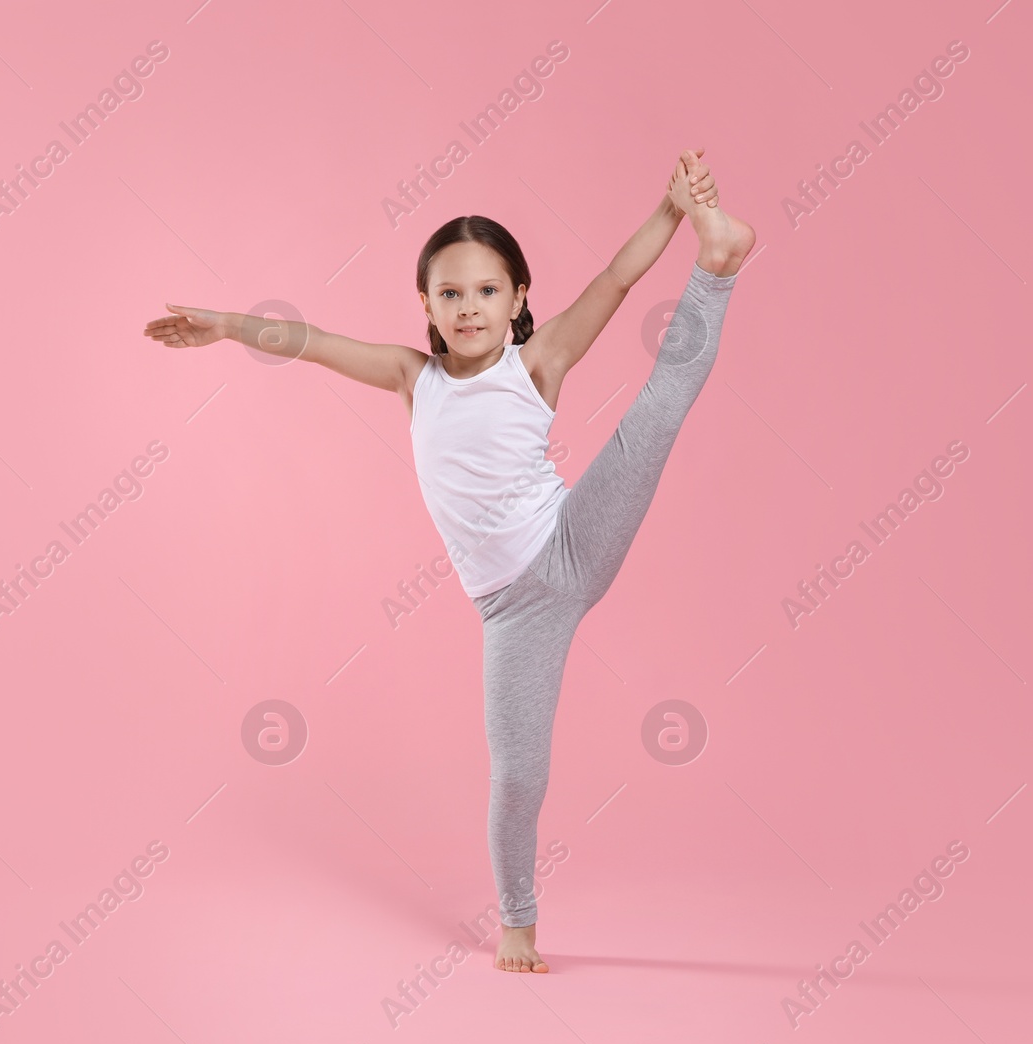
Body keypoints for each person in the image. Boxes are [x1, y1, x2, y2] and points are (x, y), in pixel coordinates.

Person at [143, 149, 755, 973]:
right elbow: (313, 341)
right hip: (511, 610)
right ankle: (518, 921)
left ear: (518, 300)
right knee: (517, 774)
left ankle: (716, 265)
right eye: (452, 293)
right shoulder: (412, 376)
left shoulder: (536, 363)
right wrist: (224, 324)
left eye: (488, 290)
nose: (470, 308)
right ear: (426, 304)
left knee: (655, 414)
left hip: (573, 537)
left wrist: (672, 212)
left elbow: (612, 279)